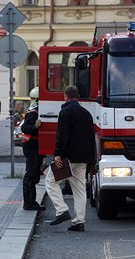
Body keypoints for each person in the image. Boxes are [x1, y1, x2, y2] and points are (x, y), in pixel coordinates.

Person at [45, 85, 96, 231]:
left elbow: (62, 136)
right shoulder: (87, 113)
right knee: (79, 189)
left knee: (50, 182)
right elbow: (90, 139)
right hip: (83, 159)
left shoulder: (65, 112)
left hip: (68, 158)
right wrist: (91, 160)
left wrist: (58, 154)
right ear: (78, 97)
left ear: (65, 96)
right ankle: (79, 222)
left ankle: (61, 211)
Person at [21, 87, 46, 211]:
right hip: (31, 146)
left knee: (34, 173)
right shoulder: (33, 113)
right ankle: (28, 203)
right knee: (31, 174)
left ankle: (32, 202)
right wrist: (35, 127)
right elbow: (25, 128)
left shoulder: (35, 111)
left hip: (33, 146)